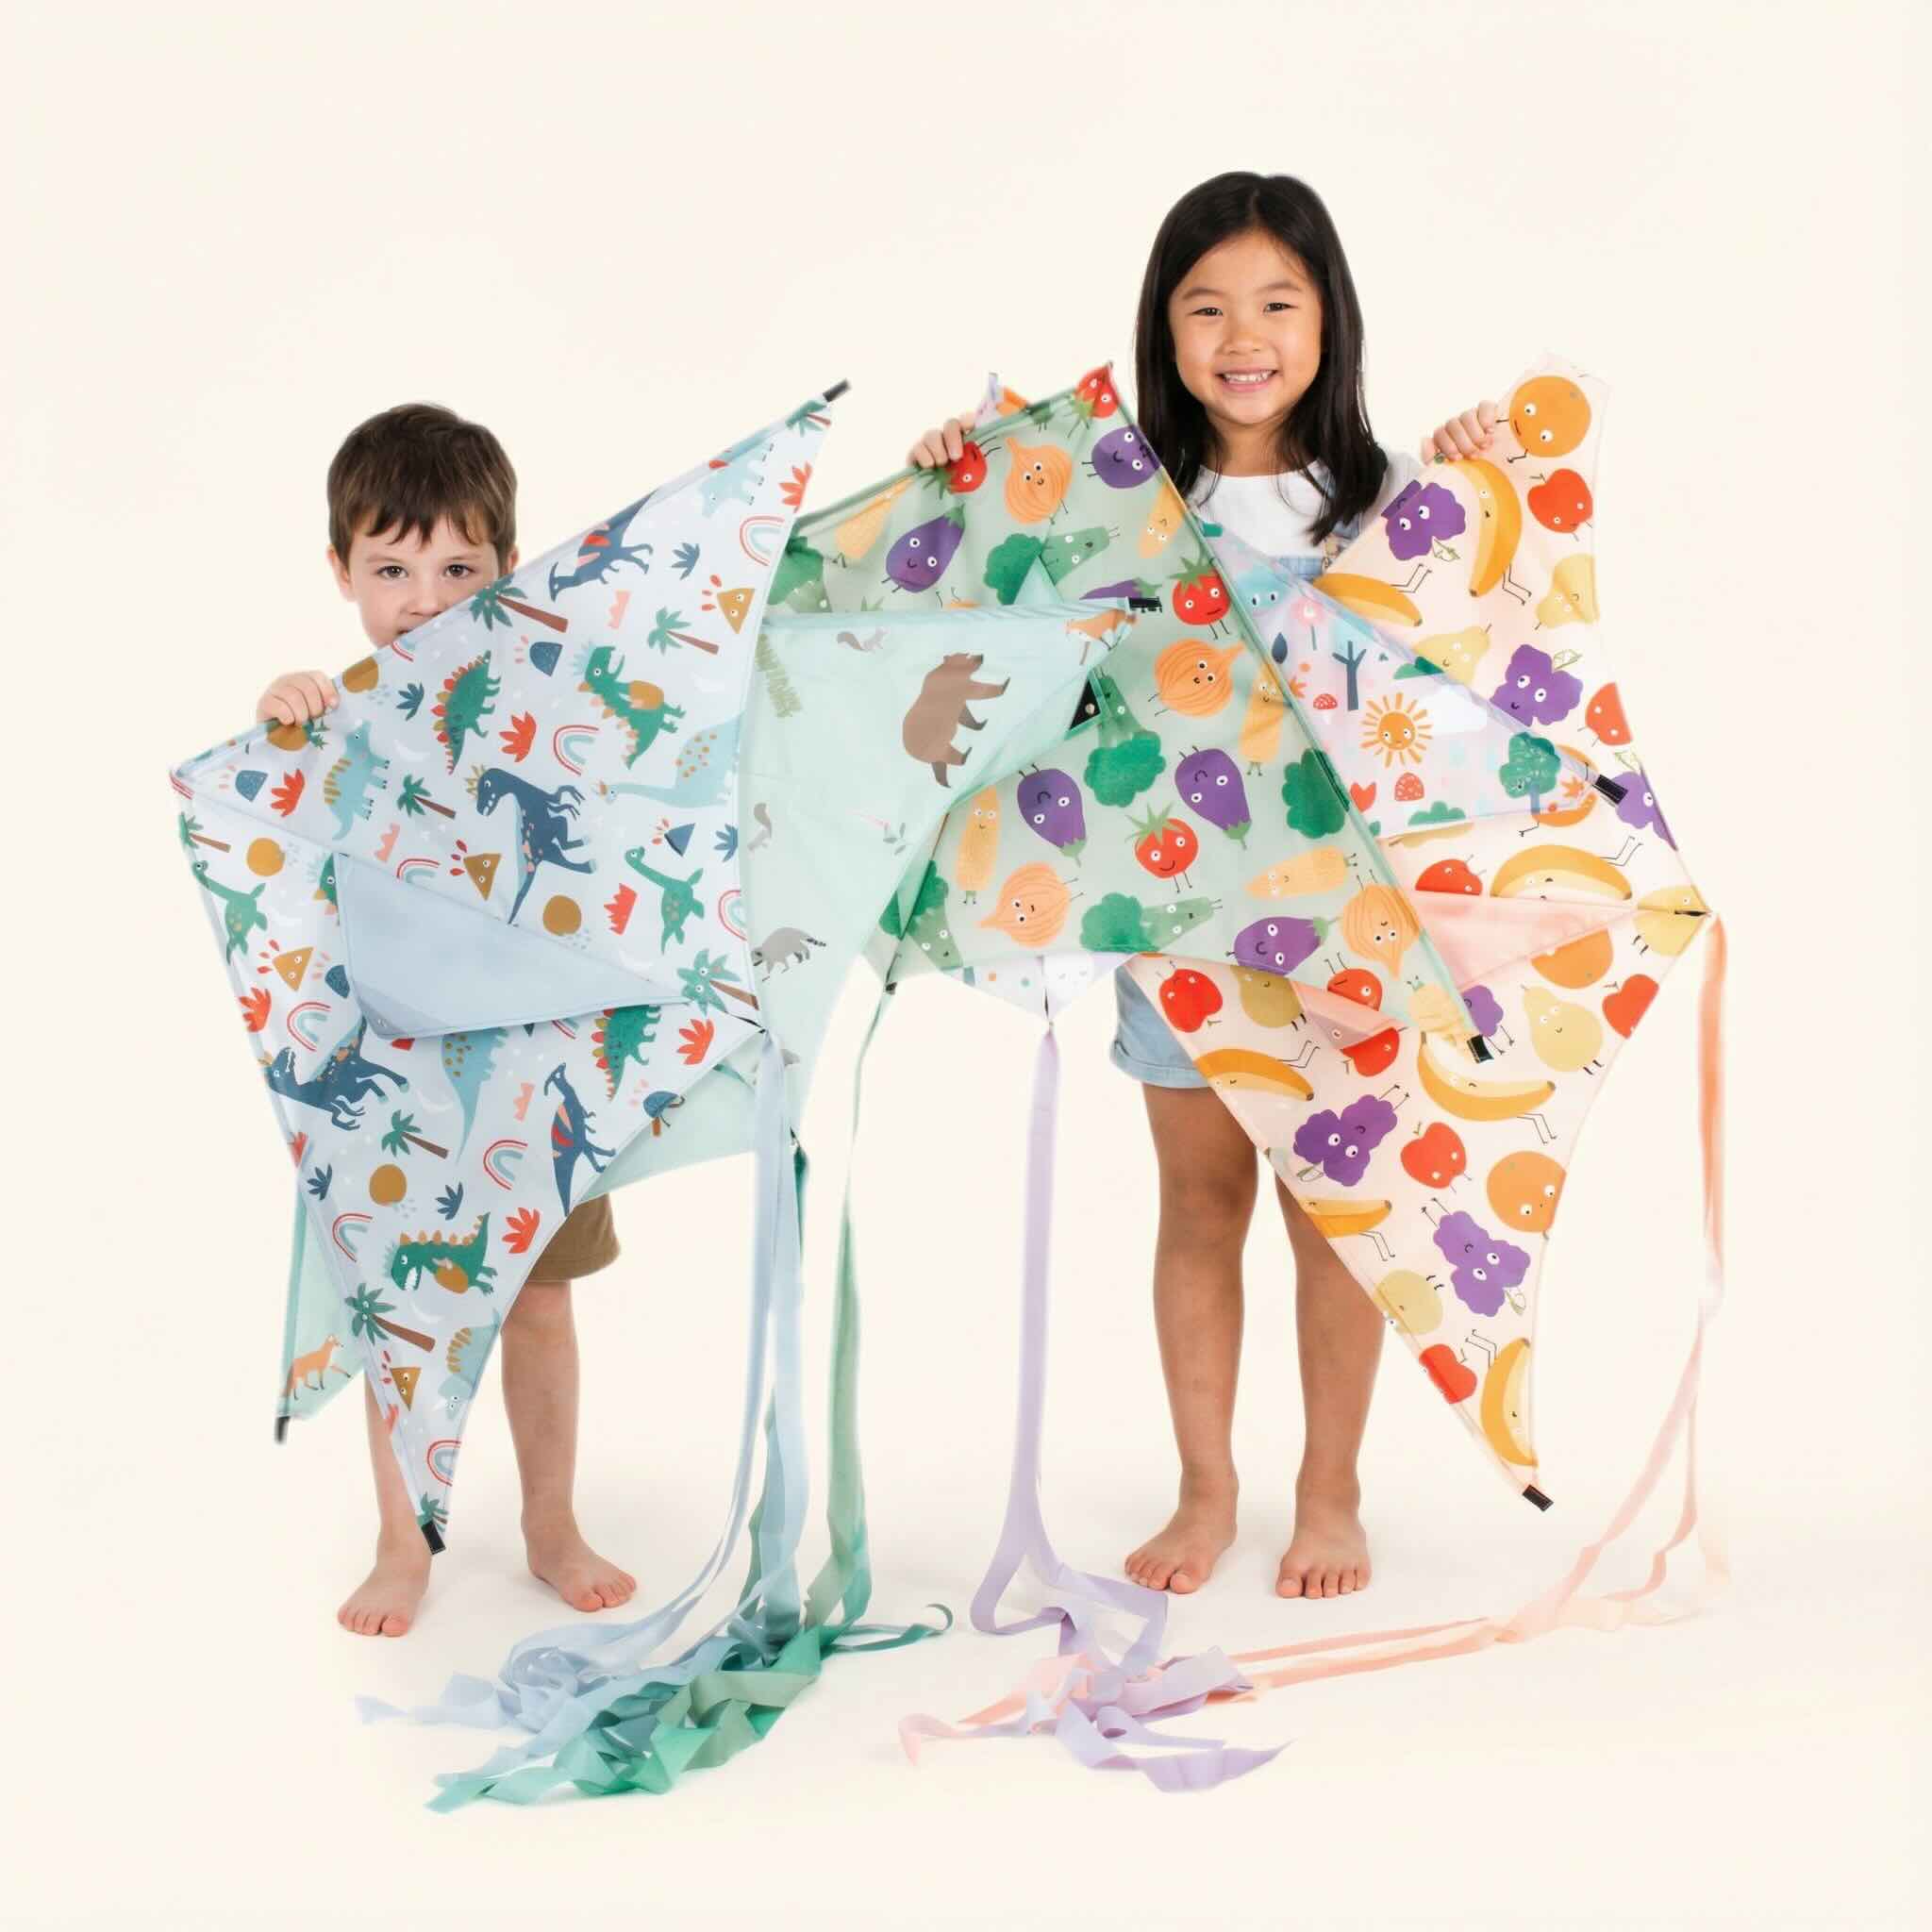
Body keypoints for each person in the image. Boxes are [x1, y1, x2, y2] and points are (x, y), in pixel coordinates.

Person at [908, 172, 1500, 1603]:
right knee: (1198, 1207)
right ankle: (1207, 1486)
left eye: (1278, 305)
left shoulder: (1391, 500)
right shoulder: (1133, 500)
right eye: (1207, 307)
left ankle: (1331, 1490)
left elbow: (1477, 636)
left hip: (1351, 925)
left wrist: (1487, 470)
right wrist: (963, 471)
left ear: (1328, 321)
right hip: (1178, 919)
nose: (1244, 336)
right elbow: (1001, 616)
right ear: (1164, 328)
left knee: (1336, 1210)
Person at [258, 403, 638, 1638]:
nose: (425, 597)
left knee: (537, 1298)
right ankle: (401, 1537)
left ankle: (549, 1520)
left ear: (504, 569)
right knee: (401, 1311)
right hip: (388, 1063)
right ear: (344, 574)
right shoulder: (336, 715)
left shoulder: (537, 692)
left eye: (460, 568)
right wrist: (288, 719)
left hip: (536, 1058)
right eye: (393, 568)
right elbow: (272, 822)